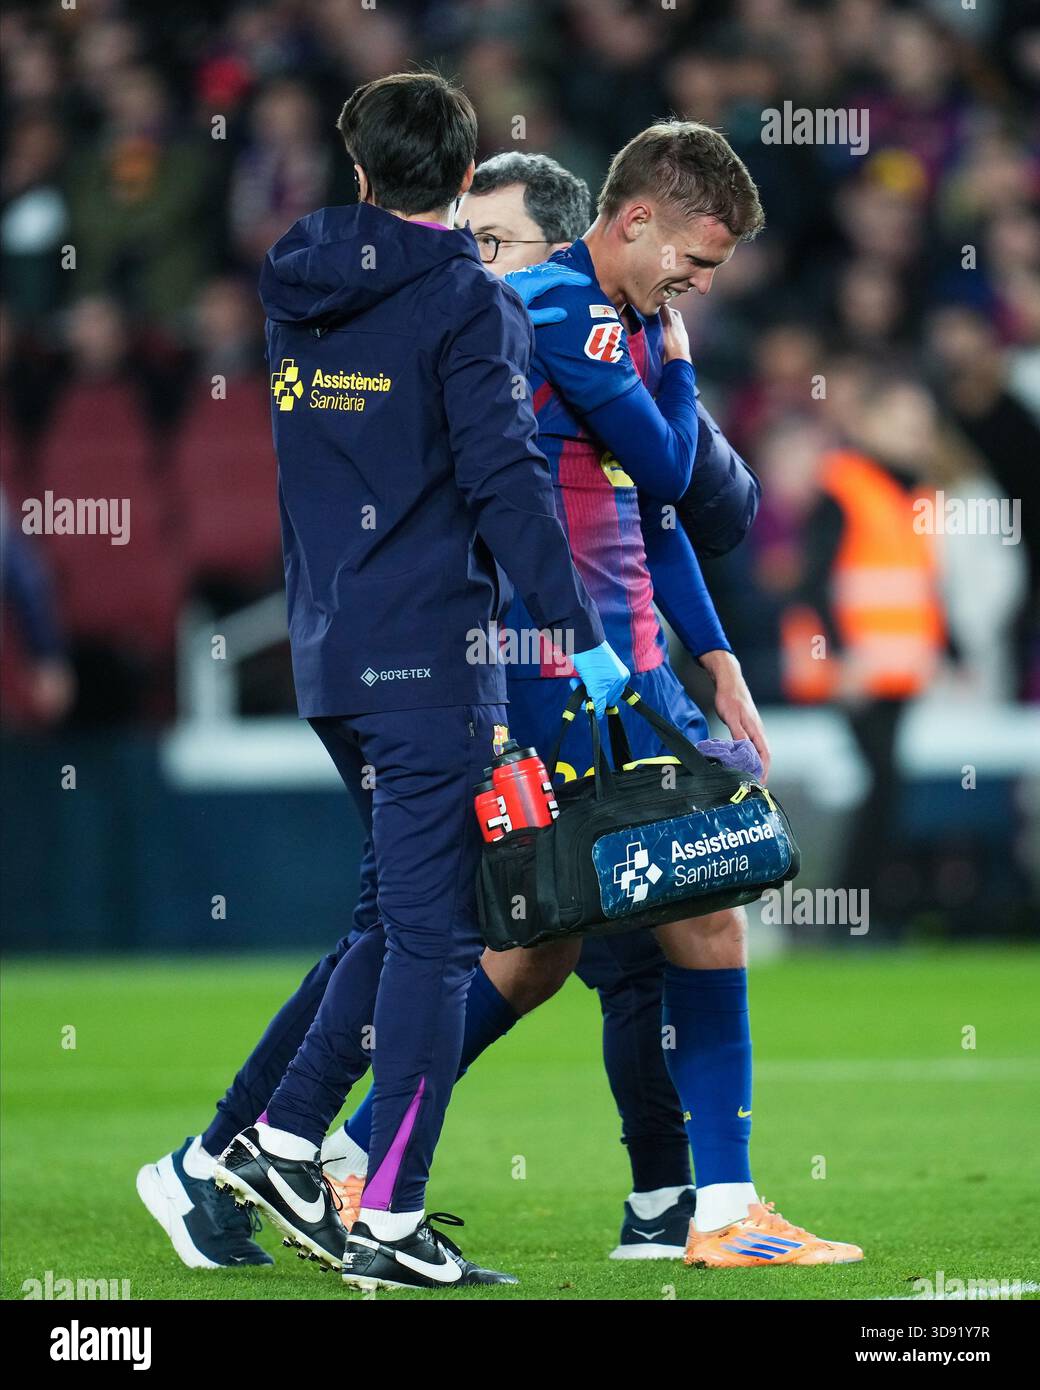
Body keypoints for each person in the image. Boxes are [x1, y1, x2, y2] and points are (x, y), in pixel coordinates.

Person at [137, 71, 626, 1291]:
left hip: (325, 650)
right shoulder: (470, 300)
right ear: (464, 180)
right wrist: (577, 627)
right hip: (429, 657)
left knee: (385, 918)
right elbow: (501, 479)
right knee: (436, 942)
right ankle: (384, 1219)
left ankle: (241, 1151)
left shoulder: (295, 275)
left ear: (354, 170)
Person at [323, 150, 767, 1261]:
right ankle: (715, 1210)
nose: (701, 285)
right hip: (561, 673)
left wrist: (715, 658)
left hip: (590, 668)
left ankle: (348, 1155)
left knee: (538, 948)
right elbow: (671, 473)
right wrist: (680, 371)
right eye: (695, 260)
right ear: (631, 222)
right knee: (698, 910)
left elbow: (650, 511)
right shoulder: (563, 309)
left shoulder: (588, 314)